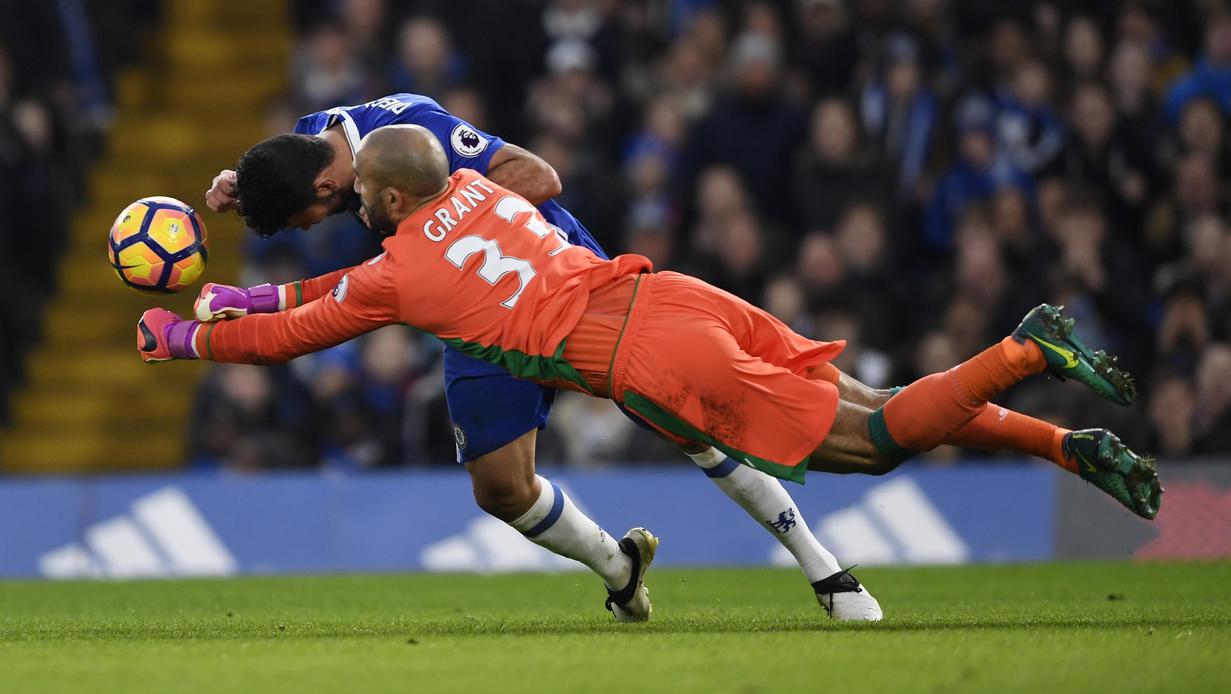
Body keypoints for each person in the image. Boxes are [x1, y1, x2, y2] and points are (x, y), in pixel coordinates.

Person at [141, 126, 1163, 594]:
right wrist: (246, 293)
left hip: (647, 357)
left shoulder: (398, 268)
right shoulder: (483, 193)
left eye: (366, 203)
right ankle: (1062, 440)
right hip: (658, 287)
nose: (359, 213)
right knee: (875, 399)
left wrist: (190, 333)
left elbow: (295, 333)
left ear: (394, 204)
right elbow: (324, 293)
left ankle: (1021, 346)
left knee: (872, 443)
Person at [199, 94, 877, 621]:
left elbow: (537, 175)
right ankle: (619, 571)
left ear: (325, 191)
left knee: (691, 420)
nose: (313, 229)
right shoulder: (315, 138)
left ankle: (825, 570)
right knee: (500, 487)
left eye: (301, 221)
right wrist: (247, 182)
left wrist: (461, 233)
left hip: (562, 291)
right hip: (475, 323)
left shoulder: (412, 126)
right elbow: (290, 170)